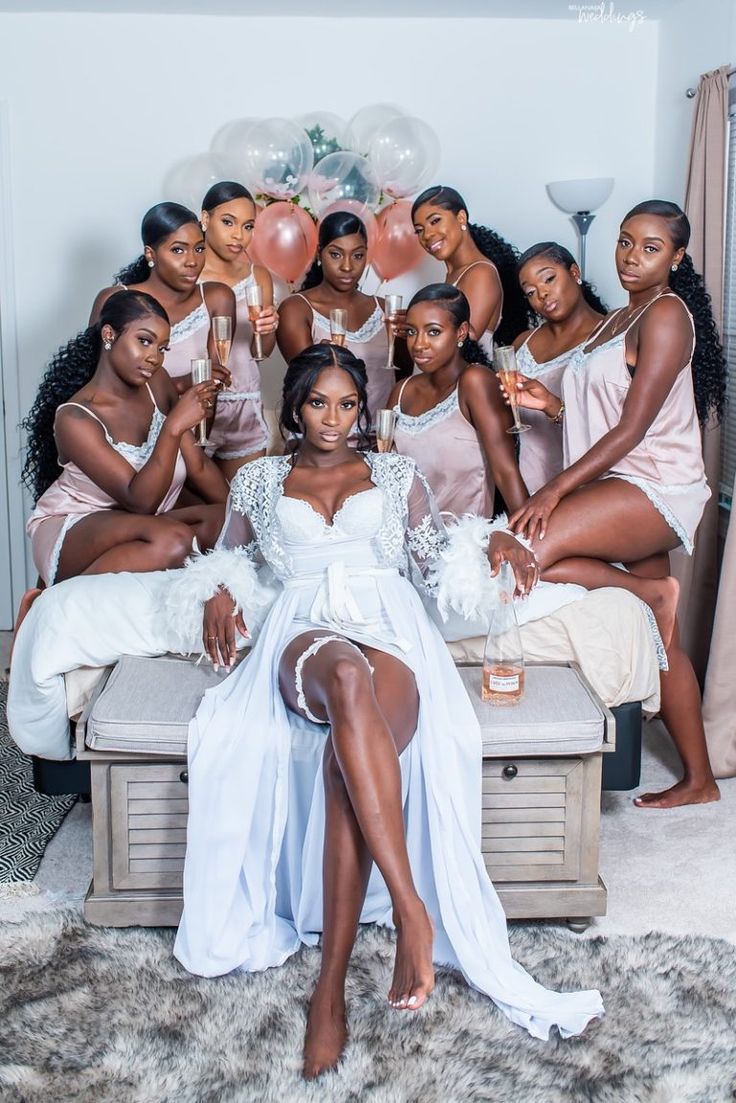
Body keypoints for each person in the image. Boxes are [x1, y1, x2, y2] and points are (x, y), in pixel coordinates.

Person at [161, 344, 603, 1079]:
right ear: (294, 406)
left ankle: (329, 988)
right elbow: (229, 558)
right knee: (341, 675)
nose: (333, 420)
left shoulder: (397, 474)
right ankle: (410, 907)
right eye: (317, 403)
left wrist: (488, 534)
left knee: (351, 741)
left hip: (393, 634)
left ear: (359, 409)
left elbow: (434, 558)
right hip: (306, 632)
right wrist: (216, 584)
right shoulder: (259, 480)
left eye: (345, 405)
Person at [504, 200, 727, 810]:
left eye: (651, 248)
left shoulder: (665, 316)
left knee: (520, 551)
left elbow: (632, 429)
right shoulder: (619, 319)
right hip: (619, 482)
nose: (633, 256)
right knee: (660, 640)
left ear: (677, 258)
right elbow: (596, 409)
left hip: (652, 484)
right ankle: (700, 779)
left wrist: (554, 489)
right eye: (627, 242)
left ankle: (647, 593)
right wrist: (544, 404)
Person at [22, 290, 228, 586]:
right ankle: (48, 603)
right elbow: (140, 501)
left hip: (144, 523)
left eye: (162, 348)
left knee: (228, 524)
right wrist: (173, 426)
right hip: (78, 526)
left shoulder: (156, 384)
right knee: (173, 542)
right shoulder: (75, 418)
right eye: (144, 341)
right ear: (109, 335)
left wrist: (242, 510)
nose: (153, 357)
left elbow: (197, 467)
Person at [389, 284, 527, 517]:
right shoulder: (402, 390)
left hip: (463, 543)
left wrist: (530, 541)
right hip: (401, 541)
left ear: (461, 332)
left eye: (433, 331)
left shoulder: (475, 381)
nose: (419, 344)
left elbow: (505, 471)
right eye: (412, 331)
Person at [90, 202, 236, 397]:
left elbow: (211, 385)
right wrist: (182, 383)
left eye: (199, 249)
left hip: (197, 423)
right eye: (178, 250)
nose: (192, 261)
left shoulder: (218, 298)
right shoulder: (114, 299)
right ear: (151, 254)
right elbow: (101, 383)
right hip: (125, 424)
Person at [277, 210, 398, 422]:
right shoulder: (296, 309)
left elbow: (401, 378)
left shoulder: (385, 310)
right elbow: (306, 382)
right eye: (336, 254)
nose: (347, 266)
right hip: (323, 436)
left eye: (358, 255)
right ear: (319, 253)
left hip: (380, 439)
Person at [199, 181, 279, 479]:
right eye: (228, 222)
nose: (239, 235)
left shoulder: (258, 276)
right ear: (205, 219)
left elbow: (263, 352)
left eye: (248, 226)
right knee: (191, 509)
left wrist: (269, 327)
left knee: (245, 509)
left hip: (243, 405)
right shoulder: (185, 273)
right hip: (194, 403)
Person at [514, 242, 607, 493]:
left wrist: (551, 404)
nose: (542, 294)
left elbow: (617, 426)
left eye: (549, 279)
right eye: (531, 292)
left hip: (585, 485)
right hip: (530, 484)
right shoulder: (523, 343)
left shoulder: (608, 337)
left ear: (574, 274)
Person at [411, 185, 534, 360]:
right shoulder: (454, 276)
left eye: (435, 221)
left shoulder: (481, 273)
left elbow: (466, 341)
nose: (427, 235)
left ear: (461, 218)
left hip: (461, 385)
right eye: (419, 230)